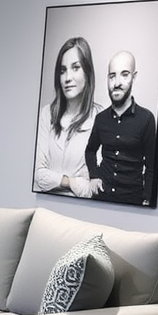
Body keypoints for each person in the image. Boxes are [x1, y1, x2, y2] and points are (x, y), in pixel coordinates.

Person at [84, 50, 157, 205]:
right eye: (112, 76)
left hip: (132, 200)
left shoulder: (147, 119)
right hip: (101, 198)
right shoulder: (101, 118)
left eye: (124, 74)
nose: (117, 83)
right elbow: (90, 151)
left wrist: (147, 199)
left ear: (134, 77)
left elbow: (151, 166)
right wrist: (94, 176)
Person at [33, 37, 101, 197]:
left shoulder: (100, 118)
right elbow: (39, 176)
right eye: (62, 70)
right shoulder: (46, 114)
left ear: (87, 72)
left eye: (75, 68)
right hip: (47, 205)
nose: (67, 78)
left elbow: (91, 188)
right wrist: (71, 182)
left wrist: (56, 180)